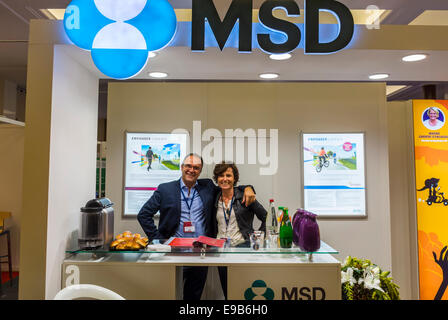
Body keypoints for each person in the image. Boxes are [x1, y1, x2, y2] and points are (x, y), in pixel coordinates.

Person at [137, 153, 256, 300]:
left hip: (200, 254)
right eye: (188, 166)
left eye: (196, 167)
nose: (191, 170)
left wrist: (248, 188)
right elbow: (143, 214)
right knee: (167, 294)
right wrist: (157, 240)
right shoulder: (165, 189)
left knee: (193, 297)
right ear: (182, 167)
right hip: (172, 254)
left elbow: (228, 185)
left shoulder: (207, 187)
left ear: (200, 171)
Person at [211, 161, 267, 300]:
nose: (225, 179)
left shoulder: (245, 196)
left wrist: (259, 237)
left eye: (228, 175)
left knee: (242, 287)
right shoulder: (214, 197)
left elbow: (265, 216)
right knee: (226, 287)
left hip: (242, 247)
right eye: (221, 175)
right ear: (216, 179)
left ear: (234, 178)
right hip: (221, 249)